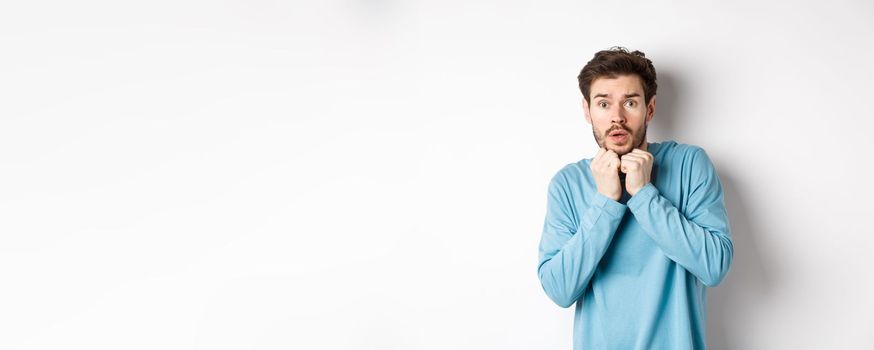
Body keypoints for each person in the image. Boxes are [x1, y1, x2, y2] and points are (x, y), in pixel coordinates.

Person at [536, 47, 734, 349]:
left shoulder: (689, 164)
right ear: (587, 111)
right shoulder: (567, 184)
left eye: (630, 102)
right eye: (603, 104)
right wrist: (605, 202)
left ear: (650, 109)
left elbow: (714, 266)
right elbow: (560, 290)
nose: (617, 117)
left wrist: (644, 195)